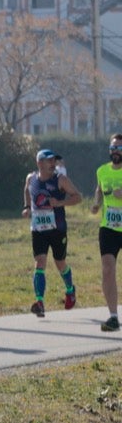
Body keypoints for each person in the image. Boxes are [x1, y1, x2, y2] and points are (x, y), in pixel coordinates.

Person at [22, 147, 83, 318]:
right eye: (49, 160)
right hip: (38, 229)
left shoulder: (60, 180)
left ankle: (70, 290)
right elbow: (27, 189)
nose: (53, 164)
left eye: (54, 161)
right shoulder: (31, 178)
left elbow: (78, 197)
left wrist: (59, 203)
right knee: (39, 262)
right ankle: (39, 302)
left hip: (57, 229)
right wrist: (27, 207)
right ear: (39, 162)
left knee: (60, 262)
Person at [92, 134, 122, 332]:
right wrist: (96, 203)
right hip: (109, 227)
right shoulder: (102, 170)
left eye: (119, 147)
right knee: (108, 269)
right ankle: (113, 317)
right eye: (113, 147)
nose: (115, 151)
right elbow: (99, 190)